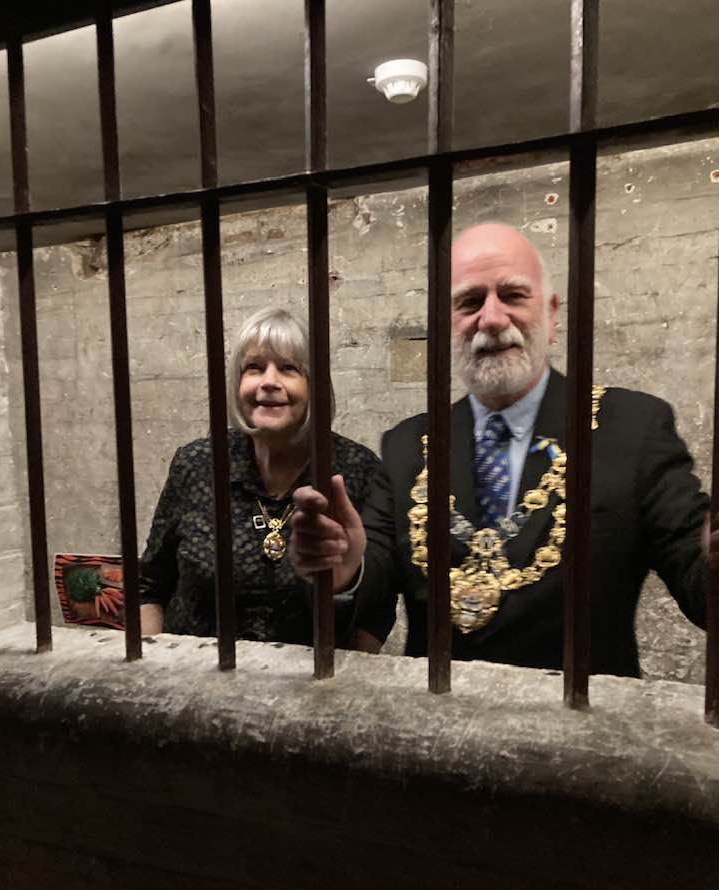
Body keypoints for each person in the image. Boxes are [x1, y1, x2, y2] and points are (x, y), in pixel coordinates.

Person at [289, 223, 716, 676]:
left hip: (580, 731)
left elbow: (696, 574)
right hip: (435, 730)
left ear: (551, 315)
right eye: (469, 302)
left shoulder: (632, 427)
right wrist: (344, 571)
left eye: (513, 295)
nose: (491, 319)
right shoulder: (407, 445)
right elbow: (370, 583)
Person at [139, 306, 390, 649]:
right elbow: (149, 587)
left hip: (308, 692)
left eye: (288, 368)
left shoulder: (358, 470)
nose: (269, 381)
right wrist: (155, 673)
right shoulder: (197, 464)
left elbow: (376, 613)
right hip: (195, 687)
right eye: (254, 368)